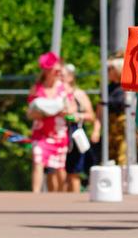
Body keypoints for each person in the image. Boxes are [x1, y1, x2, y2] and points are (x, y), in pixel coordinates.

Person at [28, 51, 74, 193]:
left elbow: (71, 110)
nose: (58, 72)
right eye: (55, 70)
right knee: (38, 161)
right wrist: (42, 112)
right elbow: (30, 114)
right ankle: (35, 195)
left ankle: (61, 197)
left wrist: (61, 111)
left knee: (60, 169)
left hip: (58, 134)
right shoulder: (37, 89)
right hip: (40, 133)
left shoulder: (64, 88)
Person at [62, 62, 96, 192]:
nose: (60, 78)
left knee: (74, 172)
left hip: (74, 134)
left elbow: (91, 116)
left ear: (71, 77)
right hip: (57, 133)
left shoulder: (79, 94)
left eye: (63, 75)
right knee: (59, 170)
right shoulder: (56, 93)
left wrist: (78, 116)